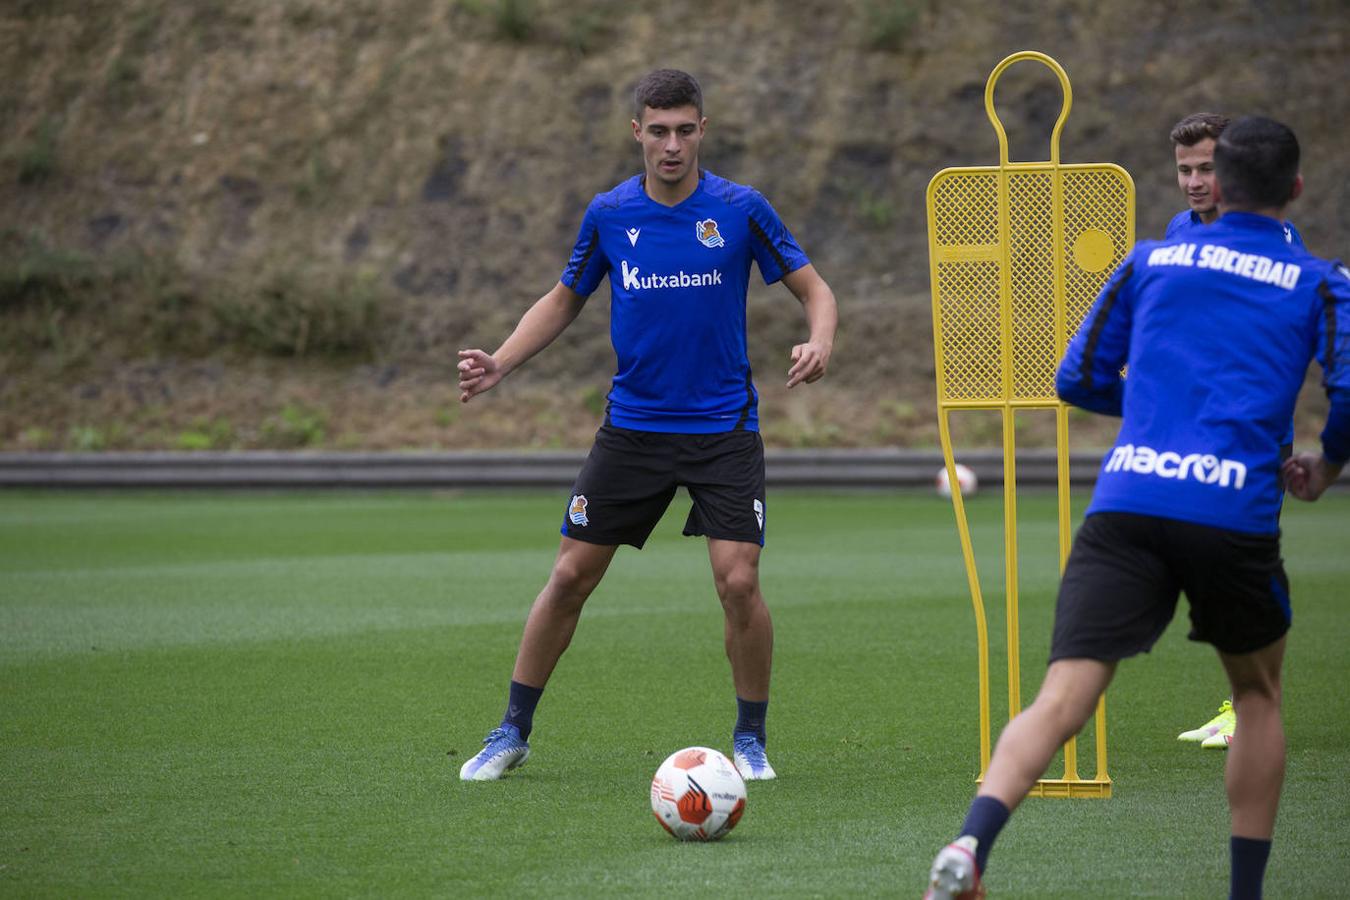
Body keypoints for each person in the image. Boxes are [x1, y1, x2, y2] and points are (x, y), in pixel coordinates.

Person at [924, 116, 1349, 900]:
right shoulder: (1319, 281)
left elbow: (1076, 376)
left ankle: (970, 844)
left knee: (1061, 697)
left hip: (1129, 498)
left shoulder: (1149, 260)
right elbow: (1349, 392)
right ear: (1295, 188)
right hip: (1229, 510)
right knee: (1257, 696)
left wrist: (1162, 414)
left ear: (1217, 182)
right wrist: (1325, 466)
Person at [455, 69, 838, 783]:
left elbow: (814, 288)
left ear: (703, 131)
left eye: (685, 130)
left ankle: (751, 739)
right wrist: (502, 361)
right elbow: (564, 299)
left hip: (723, 429)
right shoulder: (609, 214)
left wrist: (819, 340)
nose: (672, 145)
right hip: (633, 429)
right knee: (569, 575)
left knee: (739, 581)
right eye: (658, 131)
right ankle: (510, 730)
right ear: (637, 131)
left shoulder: (740, 209)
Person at [1165, 112, 1304, 750]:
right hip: (1197, 431)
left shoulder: (1274, 238)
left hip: (1252, 434)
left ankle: (1253, 707)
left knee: (1246, 569)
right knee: (1211, 571)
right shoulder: (1179, 230)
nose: (1195, 182)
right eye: (1185, 170)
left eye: (1207, 168)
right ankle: (1243, 702)